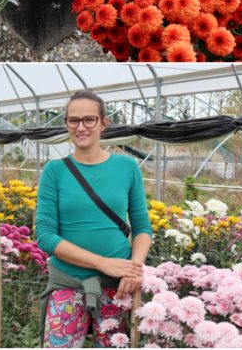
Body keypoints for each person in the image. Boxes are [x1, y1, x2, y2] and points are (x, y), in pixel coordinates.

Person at [35, 90, 153, 347]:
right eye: (73, 120)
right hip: (68, 283)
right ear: (66, 123)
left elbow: (143, 227)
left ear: (103, 123)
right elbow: (44, 235)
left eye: (89, 119)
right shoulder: (54, 171)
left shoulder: (127, 167)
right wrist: (102, 263)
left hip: (118, 287)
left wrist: (135, 269)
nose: (81, 127)